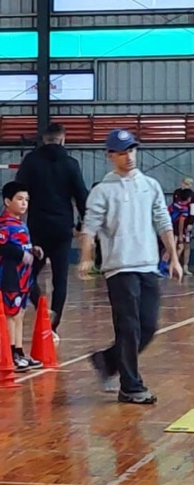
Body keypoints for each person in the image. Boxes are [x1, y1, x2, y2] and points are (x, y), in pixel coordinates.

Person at [79, 129, 182, 405]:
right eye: (122, 152)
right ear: (110, 156)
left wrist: (173, 257)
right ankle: (131, 387)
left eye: (132, 150)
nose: (129, 157)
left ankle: (106, 360)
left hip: (148, 265)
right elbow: (90, 227)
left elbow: (163, 221)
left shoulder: (150, 185)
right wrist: (86, 256)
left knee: (147, 326)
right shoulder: (102, 191)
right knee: (128, 327)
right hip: (119, 268)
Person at [16, 123, 88, 342]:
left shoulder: (31, 161)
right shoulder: (71, 164)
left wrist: (16, 222)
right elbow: (82, 197)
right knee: (60, 279)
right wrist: (81, 225)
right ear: (63, 139)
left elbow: (18, 190)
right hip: (62, 229)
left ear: (44, 139)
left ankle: (40, 306)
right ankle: (53, 327)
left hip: (36, 227)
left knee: (27, 274)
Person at [0, 182, 44, 372]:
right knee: (11, 314)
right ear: (7, 201)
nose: (24, 203)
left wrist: (33, 250)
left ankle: (20, 351)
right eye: (19, 199)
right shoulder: (3, 224)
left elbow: (22, 245)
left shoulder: (20, 224)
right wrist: (21, 255)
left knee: (20, 314)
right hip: (10, 277)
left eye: (26, 200)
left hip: (24, 277)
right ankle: (11, 352)